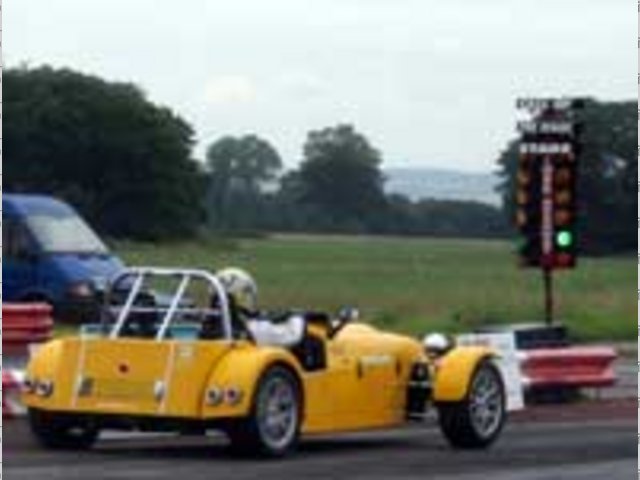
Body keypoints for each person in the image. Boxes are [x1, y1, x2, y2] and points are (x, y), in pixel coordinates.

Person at [215, 267, 305, 348]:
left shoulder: (203, 325)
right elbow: (292, 336)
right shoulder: (253, 327)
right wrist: (298, 316)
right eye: (246, 293)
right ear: (240, 296)